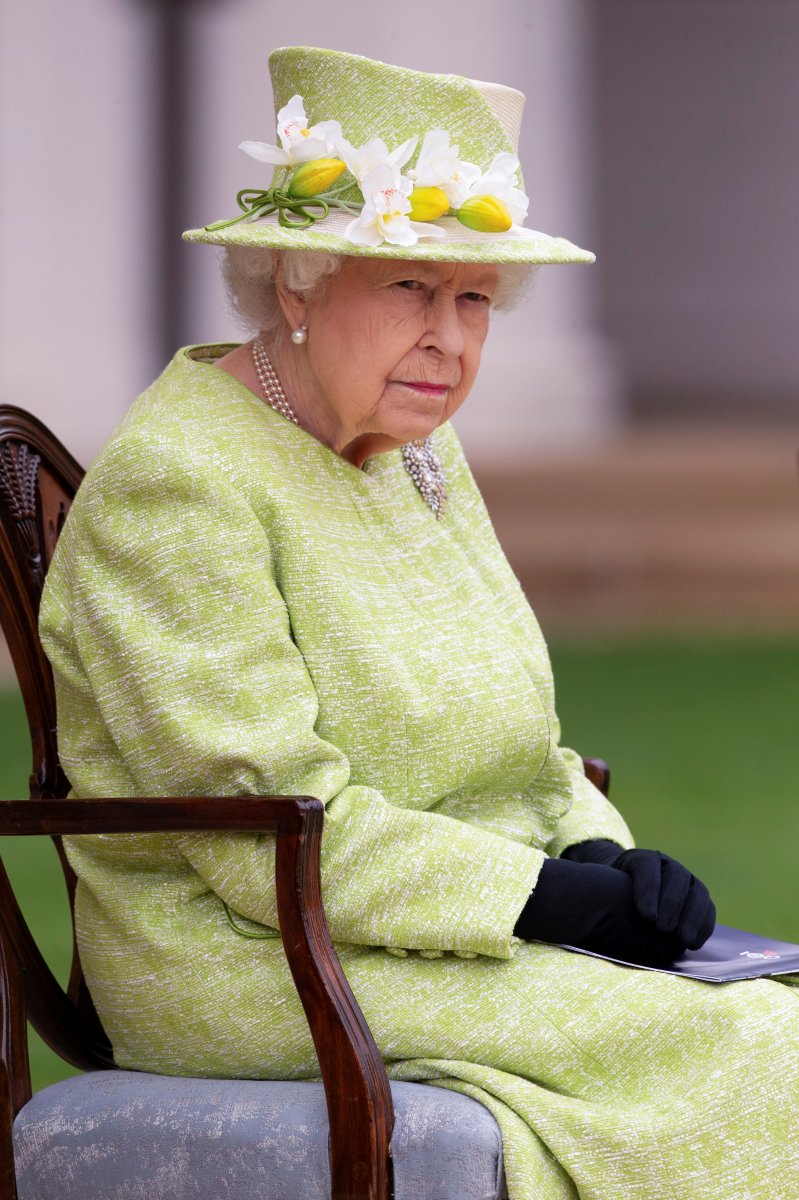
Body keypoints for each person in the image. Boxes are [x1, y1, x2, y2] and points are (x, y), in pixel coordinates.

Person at [39, 46, 799, 1200]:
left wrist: (597, 847)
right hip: (254, 960)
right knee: (757, 1054)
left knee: (766, 1010)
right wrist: (552, 900)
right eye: (407, 287)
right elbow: (262, 830)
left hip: (411, 927)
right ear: (293, 278)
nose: (449, 337)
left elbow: (517, 725)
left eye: (475, 298)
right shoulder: (180, 482)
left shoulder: (412, 447)